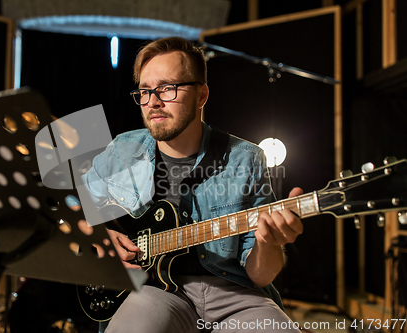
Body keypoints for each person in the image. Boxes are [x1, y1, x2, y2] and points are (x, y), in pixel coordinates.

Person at [79, 37, 304, 333]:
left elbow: (260, 276)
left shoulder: (247, 159)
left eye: (167, 88)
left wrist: (268, 243)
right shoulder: (123, 149)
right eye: (145, 91)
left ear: (201, 95)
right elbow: (73, 210)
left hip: (234, 290)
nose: (153, 102)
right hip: (152, 290)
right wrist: (97, 234)